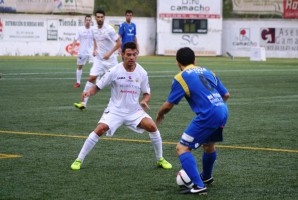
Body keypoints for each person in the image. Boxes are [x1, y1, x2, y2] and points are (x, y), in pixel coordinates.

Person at [70, 42, 172, 170]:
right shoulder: (114, 71)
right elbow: (97, 87)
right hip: (115, 111)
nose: (131, 57)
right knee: (100, 128)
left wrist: (144, 101)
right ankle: (79, 160)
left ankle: (160, 159)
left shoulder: (142, 73)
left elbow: (147, 93)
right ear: (122, 54)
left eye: (134, 55)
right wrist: (88, 93)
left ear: (137, 54)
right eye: (128, 54)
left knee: (152, 126)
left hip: (134, 111)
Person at [156, 47, 230, 195]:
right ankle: (207, 177)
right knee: (208, 145)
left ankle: (198, 185)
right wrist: (215, 106)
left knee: (181, 148)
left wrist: (160, 113)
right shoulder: (208, 71)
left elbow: (170, 104)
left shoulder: (181, 77)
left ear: (178, 63)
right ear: (195, 60)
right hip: (222, 110)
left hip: (209, 114)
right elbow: (226, 94)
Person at [74, 9, 121, 110]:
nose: (100, 19)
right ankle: (83, 103)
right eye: (98, 17)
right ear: (95, 18)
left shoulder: (109, 29)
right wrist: (95, 49)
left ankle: (121, 103)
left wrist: (109, 53)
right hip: (99, 59)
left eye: (101, 17)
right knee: (91, 78)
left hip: (111, 60)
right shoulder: (93, 29)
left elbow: (118, 43)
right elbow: (95, 39)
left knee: (117, 82)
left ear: (104, 18)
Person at [71, 15, 94, 88]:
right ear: (84, 21)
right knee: (79, 67)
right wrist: (72, 48)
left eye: (89, 20)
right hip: (82, 51)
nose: (88, 21)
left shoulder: (93, 30)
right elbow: (75, 39)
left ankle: (93, 82)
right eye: (86, 20)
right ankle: (78, 82)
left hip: (91, 51)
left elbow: (97, 40)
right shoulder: (80, 29)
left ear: (91, 21)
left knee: (95, 66)